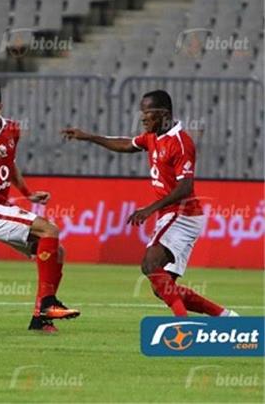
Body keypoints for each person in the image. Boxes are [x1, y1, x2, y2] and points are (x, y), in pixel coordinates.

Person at [62, 89, 238, 317]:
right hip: (175, 215)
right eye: (142, 112)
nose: (143, 118)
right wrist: (87, 136)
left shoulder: (180, 143)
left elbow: (185, 187)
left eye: (147, 113)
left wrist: (149, 209)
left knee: (150, 264)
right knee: (162, 287)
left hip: (182, 214)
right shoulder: (152, 137)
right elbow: (125, 145)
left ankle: (183, 324)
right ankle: (226, 317)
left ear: (164, 114)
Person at [0, 81, 79, 333]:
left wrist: (28, 193)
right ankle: (48, 304)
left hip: (0, 207)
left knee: (57, 252)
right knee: (50, 230)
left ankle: (40, 320)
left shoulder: (12, 129)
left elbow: (10, 165)